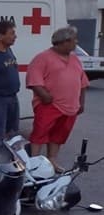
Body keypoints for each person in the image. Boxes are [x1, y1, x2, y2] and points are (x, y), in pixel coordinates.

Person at [26, 25, 90, 172]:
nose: (76, 43)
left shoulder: (75, 60)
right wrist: (44, 95)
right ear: (64, 42)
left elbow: (83, 82)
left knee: (59, 135)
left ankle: (51, 160)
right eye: (74, 40)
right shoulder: (42, 58)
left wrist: (82, 102)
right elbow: (33, 80)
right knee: (40, 133)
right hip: (49, 105)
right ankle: (34, 163)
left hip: (70, 107)